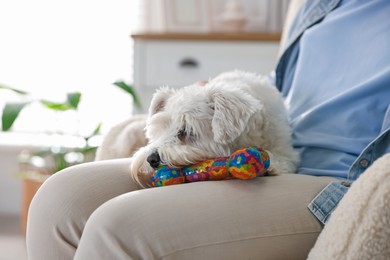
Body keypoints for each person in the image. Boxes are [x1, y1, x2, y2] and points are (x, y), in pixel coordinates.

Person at [27, 0, 390, 259]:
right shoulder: (324, 4)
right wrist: (217, 94)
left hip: (337, 183)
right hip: (259, 150)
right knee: (60, 197)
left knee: (118, 226)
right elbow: (284, 86)